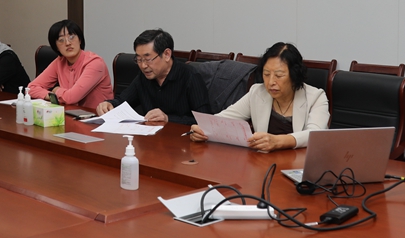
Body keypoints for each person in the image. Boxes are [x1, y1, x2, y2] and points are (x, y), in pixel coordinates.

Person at [188, 42, 330, 152]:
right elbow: (223, 119)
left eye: (279, 75)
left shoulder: (316, 97)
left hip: (300, 168)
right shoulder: (257, 92)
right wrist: (202, 129)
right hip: (263, 164)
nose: (271, 81)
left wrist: (278, 142)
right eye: (266, 74)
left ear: (294, 75)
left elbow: (315, 135)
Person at [96, 29, 209, 124]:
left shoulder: (190, 76)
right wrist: (109, 104)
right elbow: (123, 101)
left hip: (181, 140)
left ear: (167, 54)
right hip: (150, 138)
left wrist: (168, 118)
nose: (143, 66)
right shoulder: (143, 77)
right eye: (139, 59)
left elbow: (206, 121)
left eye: (148, 59)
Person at [28, 20, 113, 109]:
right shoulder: (59, 62)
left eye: (71, 37)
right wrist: (51, 96)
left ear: (80, 40)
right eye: (61, 40)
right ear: (56, 47)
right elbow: (31, 88)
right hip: (70, 113)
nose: (68, 43)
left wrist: (57, 90)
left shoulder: (95, 63)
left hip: (97, 116)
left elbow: (71, 98)